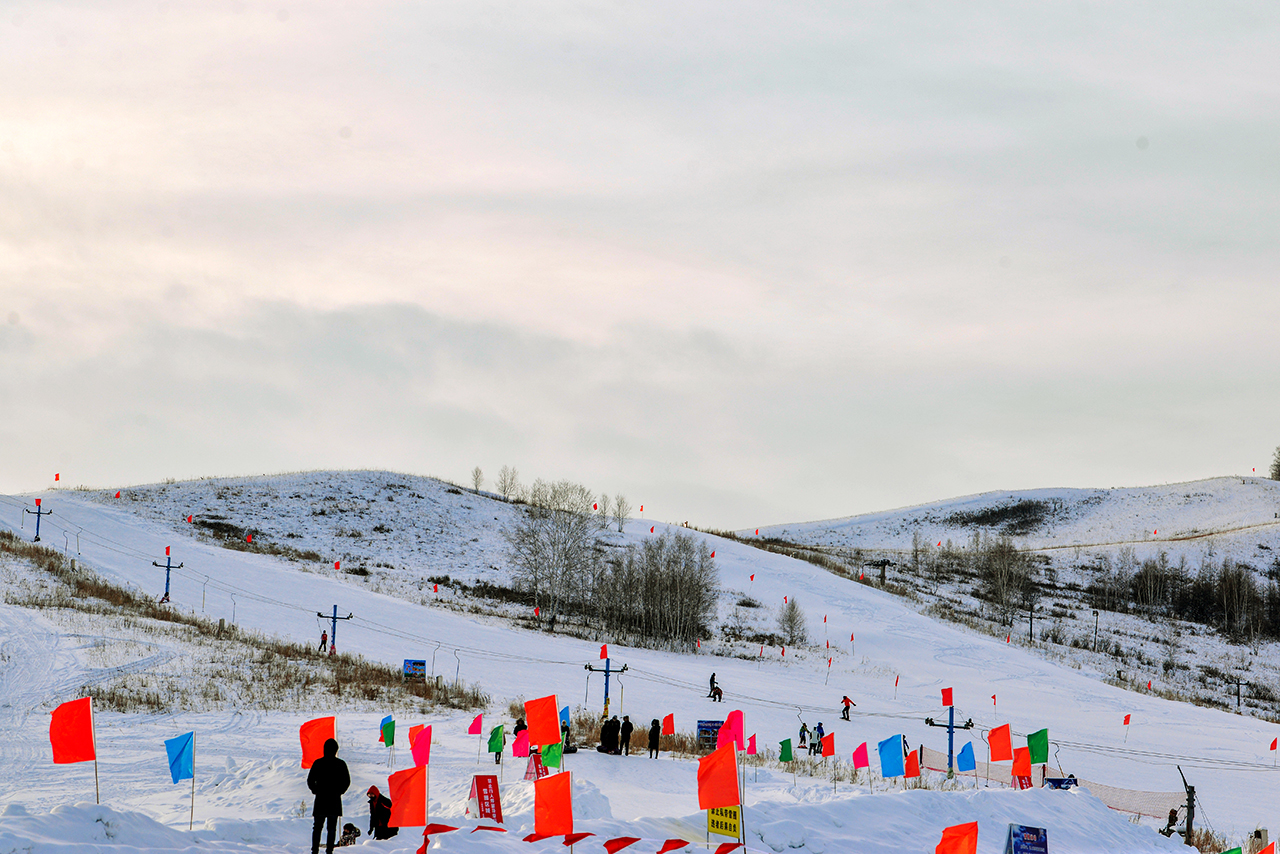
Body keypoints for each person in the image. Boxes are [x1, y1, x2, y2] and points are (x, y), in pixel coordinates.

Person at [307, 738, 350, 854]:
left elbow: (310, 780)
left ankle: (314, 851)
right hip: (334, 800)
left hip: (321, 799)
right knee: (331, 828)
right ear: (336, 750)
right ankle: (329, 851)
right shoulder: (341, 764)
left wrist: (315, 790)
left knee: (317, 828)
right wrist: (339, 792)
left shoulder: (318, 763)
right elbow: (347, 781)